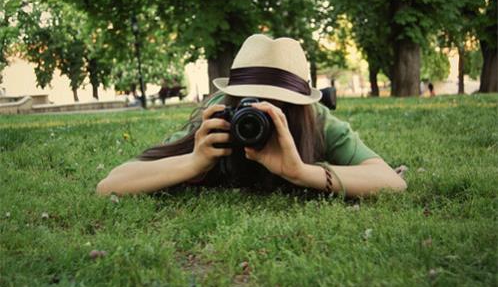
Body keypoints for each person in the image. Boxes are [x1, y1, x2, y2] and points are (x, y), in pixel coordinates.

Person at [97, 34, 407, 197]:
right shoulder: (220, 113)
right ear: (232, 100)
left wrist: (301, 171)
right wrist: (194, 160)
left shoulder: (316, 119)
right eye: (249, 103)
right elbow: (111, 184)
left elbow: (391, 182)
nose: (257, 116)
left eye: (277, 105)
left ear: (297, 106)